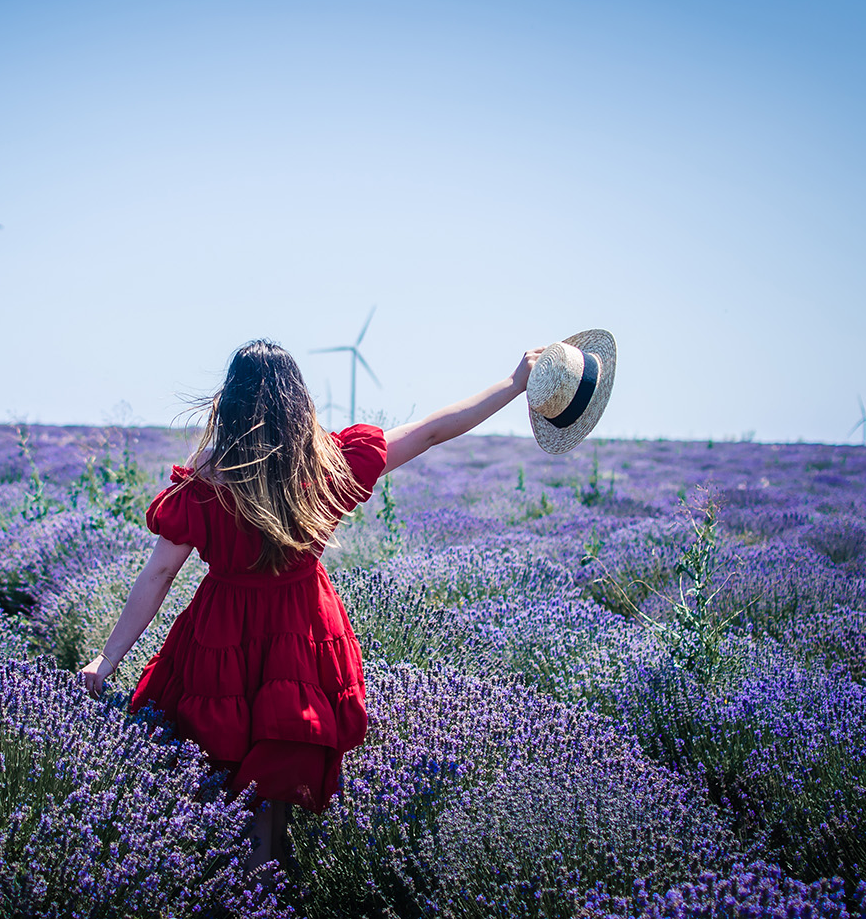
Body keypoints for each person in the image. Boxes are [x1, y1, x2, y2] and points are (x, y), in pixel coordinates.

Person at [80, 338, 545, 877]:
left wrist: (107, 659)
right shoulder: (326, 464)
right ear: (296, 398)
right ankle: (270, 887)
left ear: (227, 401)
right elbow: (434, 430)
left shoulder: (208, 477)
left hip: (220, 634)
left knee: (211, 771)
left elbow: (159, 574)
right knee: (272, 786)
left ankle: (225, 891)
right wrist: (513, 386)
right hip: (301, 635)